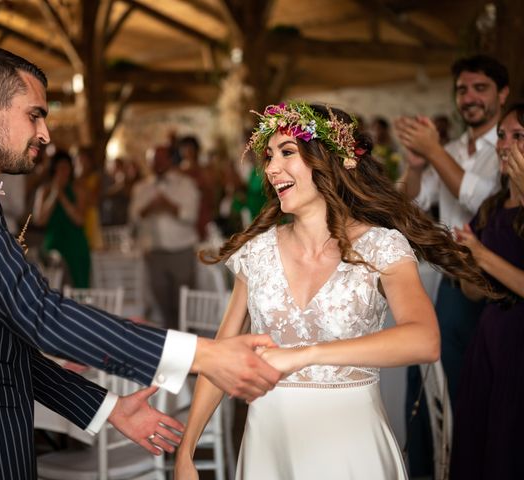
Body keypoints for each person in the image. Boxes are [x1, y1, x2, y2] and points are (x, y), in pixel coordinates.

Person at [0, 47, 282, 479]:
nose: (46, 134)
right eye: (35, 115)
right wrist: (201, 354)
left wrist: (107, 407)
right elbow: (36, 312)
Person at [174, 101, 492, 479]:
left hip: (352, 446)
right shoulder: (256, 254)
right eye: (269, 156)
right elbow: (218, 356)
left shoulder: (381, 247)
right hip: (270, 445)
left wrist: (306, 355)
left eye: (287, 152)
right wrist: (186, 450)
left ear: (329, 158)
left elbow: (425, 340)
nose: (272, 169)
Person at [394, 55, 509, 405]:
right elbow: (411, 203)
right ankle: (430, 462)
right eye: (462, 90)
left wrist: (433, 151)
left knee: (476, 395)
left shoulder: (508, 148)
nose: (470, 97)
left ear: (503, 94)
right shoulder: (452, 150)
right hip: (452, 285)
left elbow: (485, 202)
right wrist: (415, 166)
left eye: (480, 88)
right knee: (429, 384)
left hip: (498, 288)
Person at [450, 103, 524, 479]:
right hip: (490, 339)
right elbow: (474, 293)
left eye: (518, 136)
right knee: (481, 443)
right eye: (502, 135)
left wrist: (481, 254)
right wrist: (465, 262)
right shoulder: (492, 208)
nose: (505, 145)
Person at [129, 145, 200, 329]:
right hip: (154, 253)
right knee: (162, 307)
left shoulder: (184, 184)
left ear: (169, 160)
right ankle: (171, 349)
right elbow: (134, 218)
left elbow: (191, 215)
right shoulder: (141, 187)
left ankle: (193, 348)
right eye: (153, 159)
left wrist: (169, 206)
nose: (157, 163)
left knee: (185, 306)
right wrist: (148, 208)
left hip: (181, 252)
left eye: (161, 158)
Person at [33, 150, 91, 287]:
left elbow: (79, 220)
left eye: (66, 168)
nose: (63, 172)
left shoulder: (78, 189)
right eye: (60, 168)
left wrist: (62, 197)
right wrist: (54, 194)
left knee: (78, 291)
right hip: (54, 246)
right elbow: (39, 220)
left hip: (76, 247)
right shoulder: (44, 191)